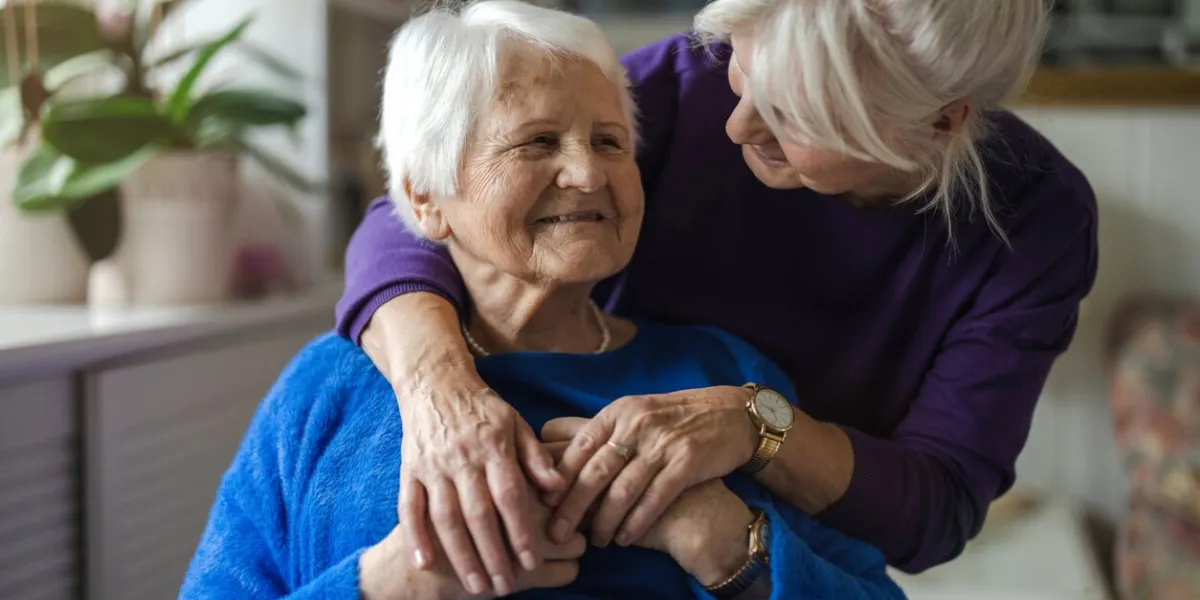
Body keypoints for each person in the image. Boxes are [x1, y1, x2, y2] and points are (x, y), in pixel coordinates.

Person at [339, 0, 1098, 590]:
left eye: (797, 114)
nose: (736, 125)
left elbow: (936, 507)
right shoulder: (689, 83)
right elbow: (420, 212)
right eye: (745, 68)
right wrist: (441, 393)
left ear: (938, 124)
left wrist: (754, 432)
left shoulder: (1036, 222)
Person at [178, 3, 908, 599]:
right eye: (535, 142)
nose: (588, 173)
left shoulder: (719, 376)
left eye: (610, 141)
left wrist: (722, 540)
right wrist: (388, 586)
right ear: (424, 199)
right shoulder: (329, 388)